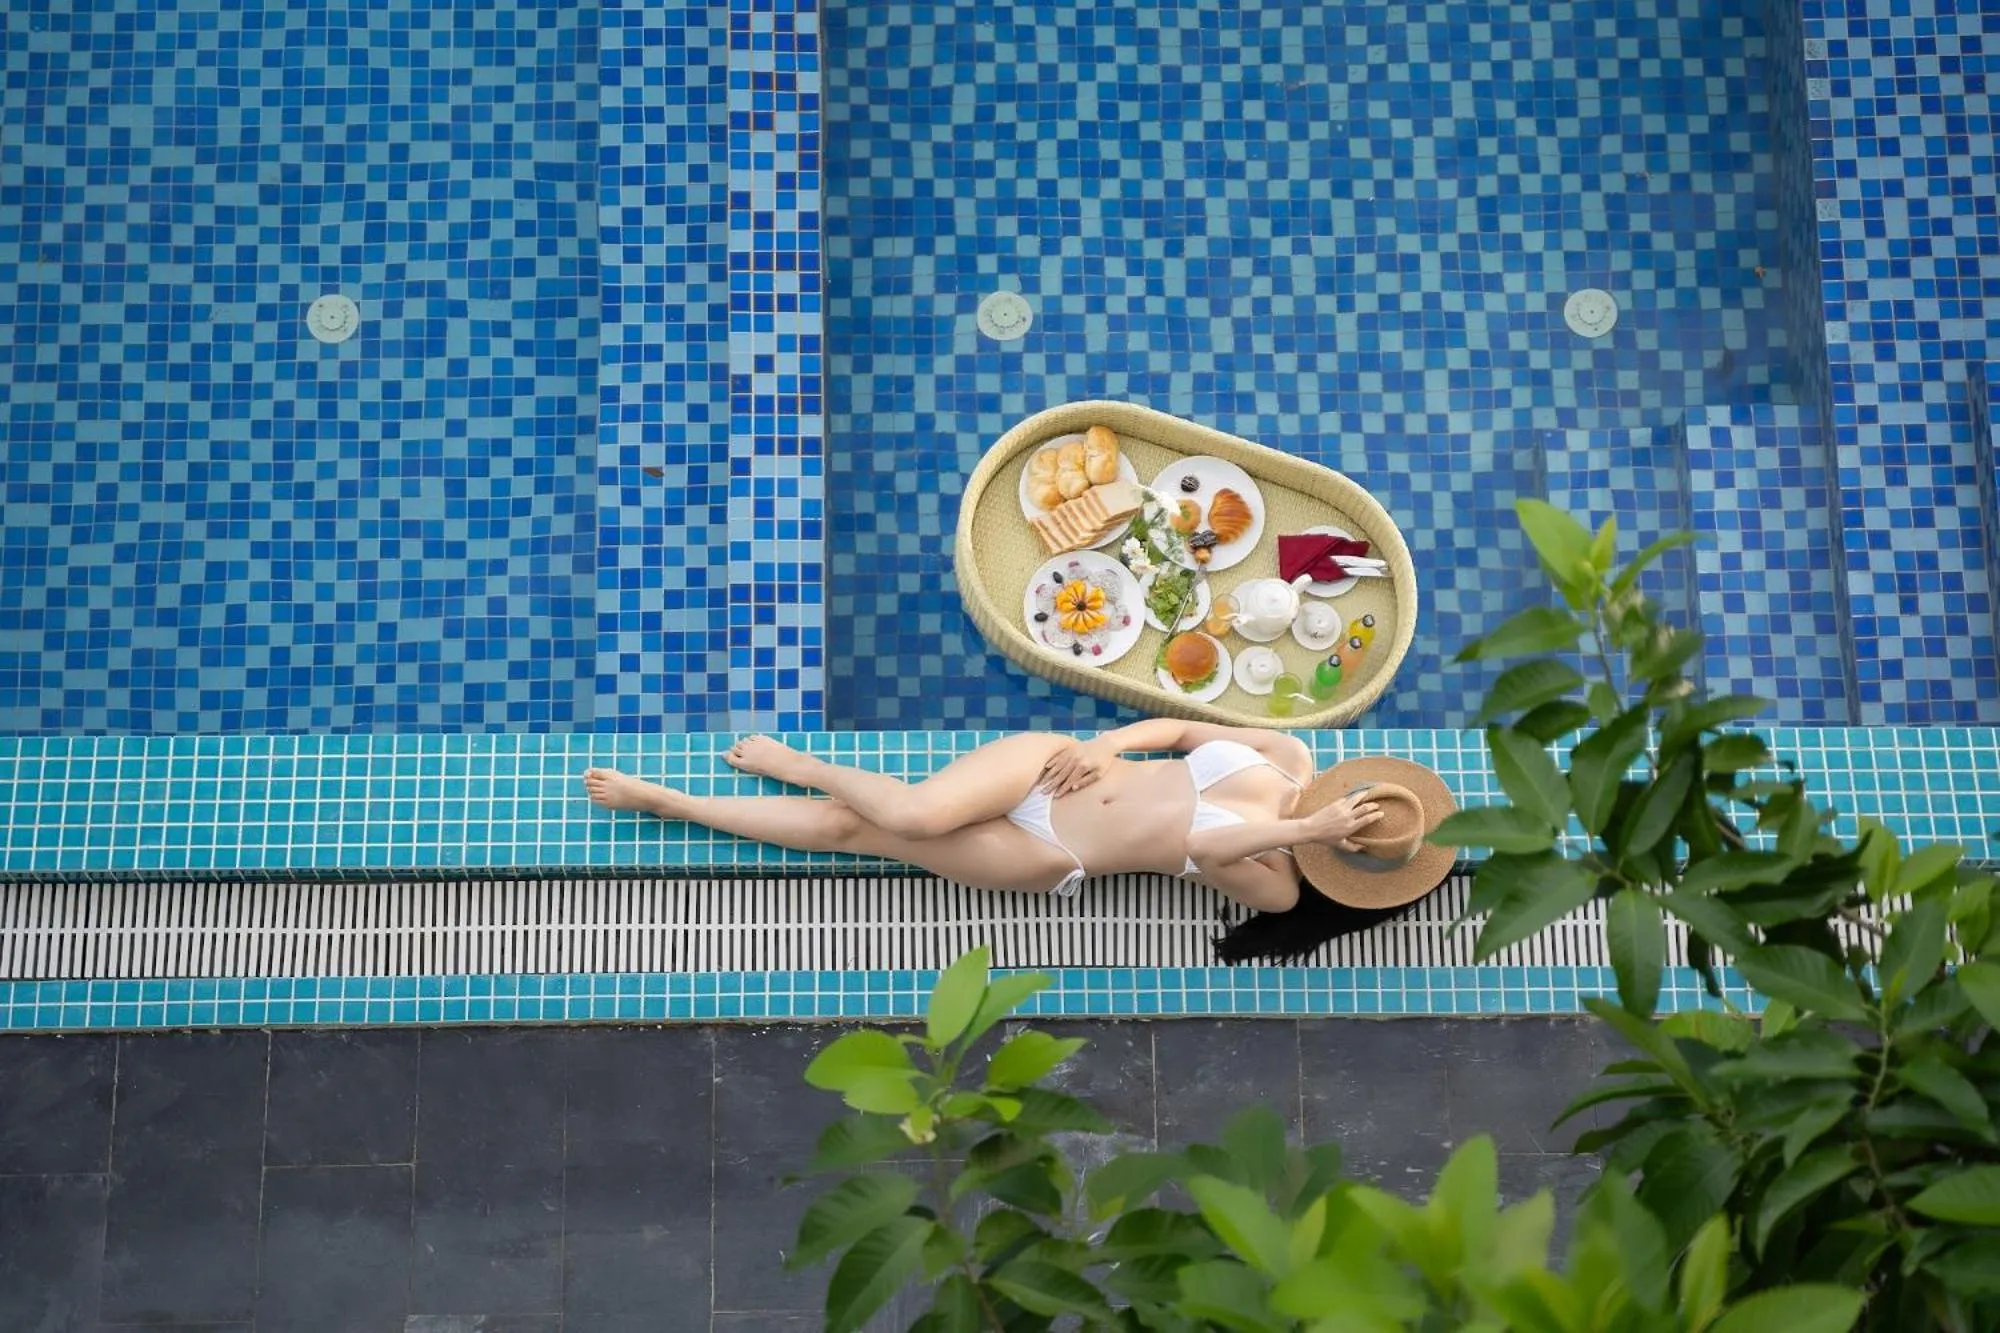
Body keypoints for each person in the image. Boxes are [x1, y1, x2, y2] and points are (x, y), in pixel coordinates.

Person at [581, 719, 1459, 960]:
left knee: (859, 834)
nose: (1347, 806)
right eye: (1361, 800)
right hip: (1054, 771)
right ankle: (802, 764)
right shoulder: (1287, 748)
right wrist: (1105, 744)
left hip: (1051, 857)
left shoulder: (1276, 882)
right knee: (916, 813)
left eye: (1355, 826)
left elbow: (1206, 845)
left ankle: (675, 803)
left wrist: (1306, 830)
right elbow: (1180, 730)